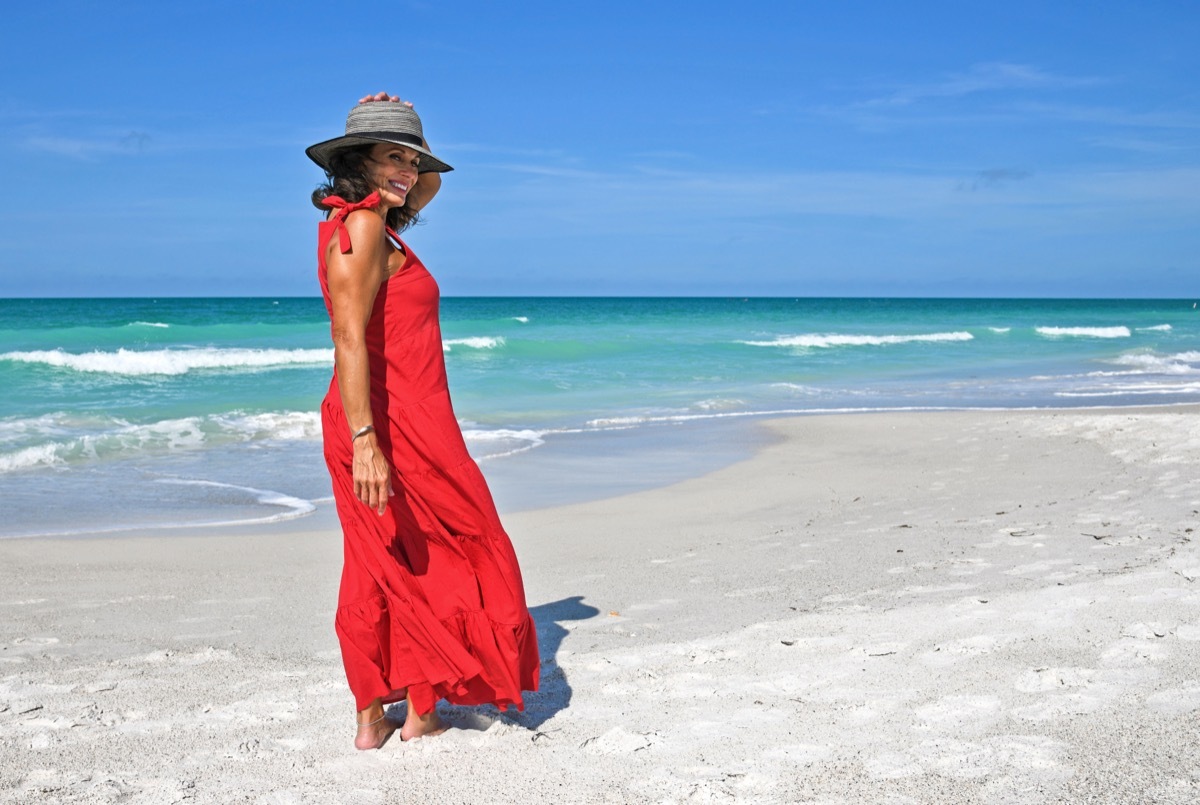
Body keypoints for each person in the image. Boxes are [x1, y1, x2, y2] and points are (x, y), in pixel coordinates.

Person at [306, 93, 540, 749]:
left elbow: (430, 181)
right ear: (357, 162)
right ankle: (414, 707)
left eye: (411, 159)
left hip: (403, 418)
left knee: (389, 561)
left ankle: (385, 714)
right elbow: (348, 339)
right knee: (437, 553)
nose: (409, 173)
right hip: (387, 426)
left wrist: (403, 137)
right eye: (392, 158)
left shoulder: (366, 218)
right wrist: (366, 442)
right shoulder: (365, 228)